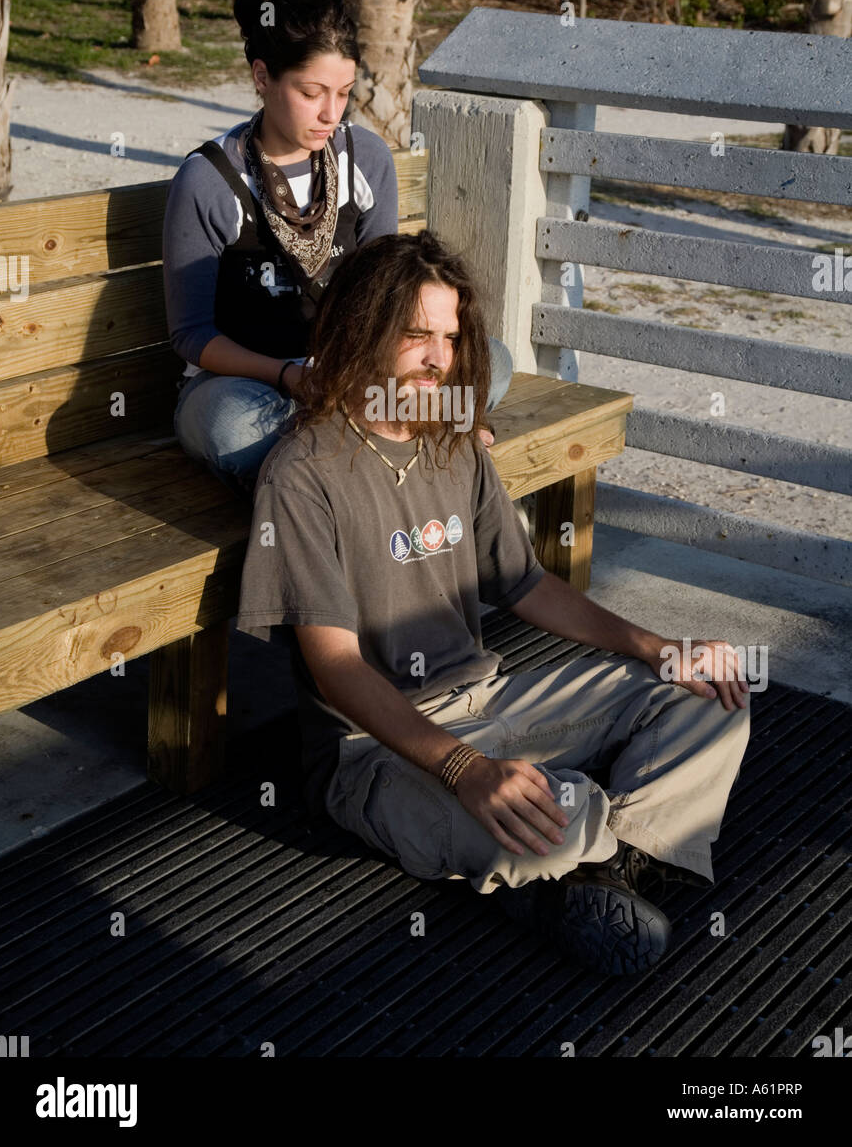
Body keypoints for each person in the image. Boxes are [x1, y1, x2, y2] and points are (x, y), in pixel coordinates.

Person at [236, 231, 751, 977]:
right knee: (558, 805)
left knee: (713, 694)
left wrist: (660, 648)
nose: (439, 358)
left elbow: (526, 584)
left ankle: (592, 870)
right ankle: (608, 850)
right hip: (375, 755)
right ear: (361, 330)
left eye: (448, 337)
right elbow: (337, 669)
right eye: (416, 335)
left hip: (492, 701)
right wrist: (466, 772)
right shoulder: (302, 473)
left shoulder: (455, 441)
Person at [162, 0, 512, 498]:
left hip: (356, 374)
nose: (331, 113)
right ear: (262, 77)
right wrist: (289, 376)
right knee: (230, 429)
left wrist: (359, 377)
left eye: (344, 92)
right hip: (253, 385)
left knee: (494, 361)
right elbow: (191, 335)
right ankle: (398, 445)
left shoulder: (363, 157)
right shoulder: (209, 180)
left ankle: (354, 449)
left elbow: (387, 299)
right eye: (312, 92)